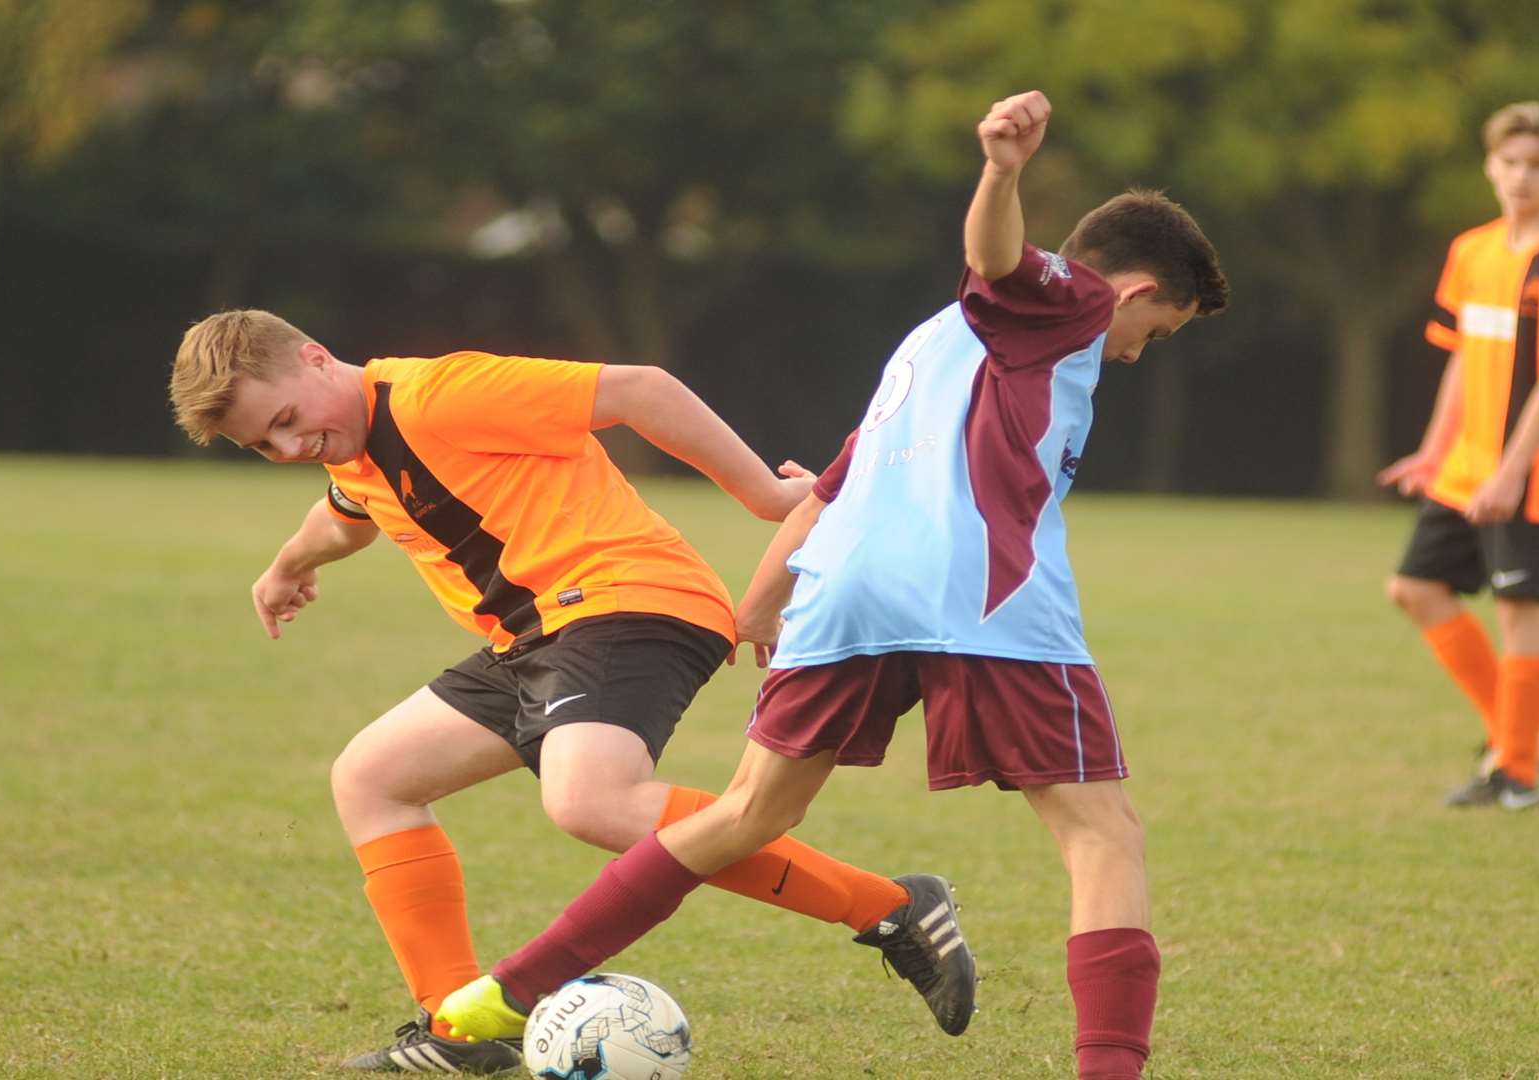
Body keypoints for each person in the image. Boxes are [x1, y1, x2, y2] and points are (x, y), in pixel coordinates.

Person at [435, 90, 1229, 1080]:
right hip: (976, 596)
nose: (1138, 350)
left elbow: (836, 489)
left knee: (743, 815)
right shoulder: (1065, 301)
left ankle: (502, 995)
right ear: (1134, 289)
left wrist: (757, 607)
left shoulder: (931, 342)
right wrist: (1000, 171)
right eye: (1158, 329)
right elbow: (997, 256)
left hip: (843, 591)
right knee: (1102, 835)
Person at [167, 312, 976, 1073]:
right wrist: (288, 565)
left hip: (628, 598)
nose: (290, 443)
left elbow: (641, 389)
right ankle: (454, 1026)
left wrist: (770, 500)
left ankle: (891, 907)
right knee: (372, 778)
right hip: (531, 641)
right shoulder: (352, 448)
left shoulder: (440, 394)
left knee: (590, 801)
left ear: (313, 357)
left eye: (283, 419)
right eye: (263, 445)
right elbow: (346, 515)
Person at [1380, 101, 1539, 812]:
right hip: (1467, 468)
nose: (1522, 176)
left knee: (1518, 604)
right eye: (1510, 162)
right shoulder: (1473, 250)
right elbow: (1461, 357)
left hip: (1535, 472)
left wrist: (1512, 472)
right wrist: (1434, 452)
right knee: (1415, 588)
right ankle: (1518, 734)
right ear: (1491, 167)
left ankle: (1515, 772)